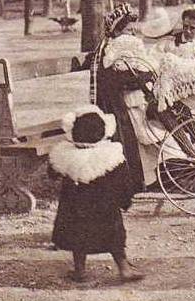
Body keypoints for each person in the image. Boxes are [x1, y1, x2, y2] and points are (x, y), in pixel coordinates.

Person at [49, 106, 144, 283]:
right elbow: (124, 183)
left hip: (75, 211)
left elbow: (52, 173)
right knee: (115, 239)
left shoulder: (65, 156)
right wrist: (125, 201)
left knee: (78, 240)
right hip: (105, 210)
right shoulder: (110, 156)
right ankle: (124, 269)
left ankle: (80, 271)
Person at [90, 3, 156, 192]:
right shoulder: (112, 50)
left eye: (133, 29)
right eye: (128, 30)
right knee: (128, 132)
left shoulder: (120, 47)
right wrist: (140, 78)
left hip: (122, 97)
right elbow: (115, 79)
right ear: (118, 31)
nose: (132, 33)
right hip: (113, 104)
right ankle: (130, 181)